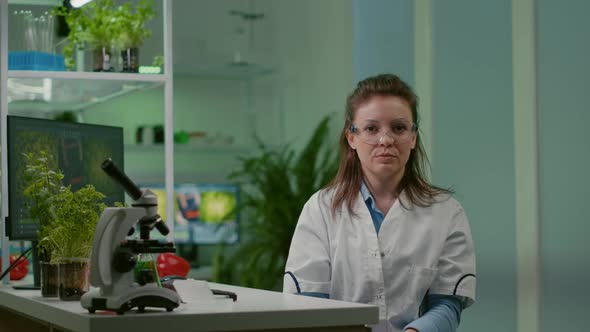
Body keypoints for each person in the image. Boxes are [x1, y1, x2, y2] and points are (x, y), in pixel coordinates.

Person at [283, 74, 476, 332]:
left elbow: (447, 304)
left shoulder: (446, 212)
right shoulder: (320, 209)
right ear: (351, 137)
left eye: (398, 128)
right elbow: (308, 303)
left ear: (413, 137)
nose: (386, 140)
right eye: (371, 129)